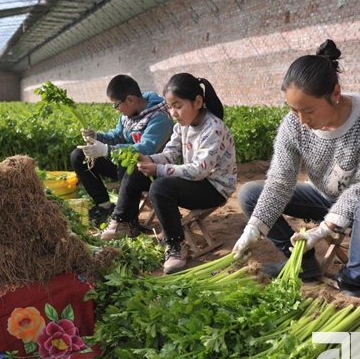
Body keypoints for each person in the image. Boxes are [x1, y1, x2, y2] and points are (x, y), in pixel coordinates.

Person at [232, 39, 360, 298]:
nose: (302, 120)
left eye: (309, 111)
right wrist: (254, 229)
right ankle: (304, 263)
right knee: (251, 194)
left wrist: (325, 229)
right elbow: (280, 181)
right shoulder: (293, 125)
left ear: (335, 94)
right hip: (324, 196)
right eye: (294, 110)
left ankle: (353, 285)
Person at [101, 73, 237, 274]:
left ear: (198, 102)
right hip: (193, 180)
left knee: (161, 187)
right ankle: (123, 221)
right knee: (136, 170)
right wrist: (149, 159)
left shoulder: (214, 129)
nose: (173, 113)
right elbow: (171, 154)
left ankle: (176, 245)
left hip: (213, 188)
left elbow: (199, 171)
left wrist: (159, 169)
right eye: (170, 107)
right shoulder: (182, 125)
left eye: (178, 106)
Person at [72, 74, 174, 226]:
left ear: (130, 100)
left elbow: (145, 148)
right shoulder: (128, 115)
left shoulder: (159, 118)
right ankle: (104, 206)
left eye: (116, 105)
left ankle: (128, 220)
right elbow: (117, 136)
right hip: (126, 166)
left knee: (127, 165)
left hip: (150, 172)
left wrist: (106, 150)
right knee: (78, 156)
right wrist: (97, 136)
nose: (116, 110)